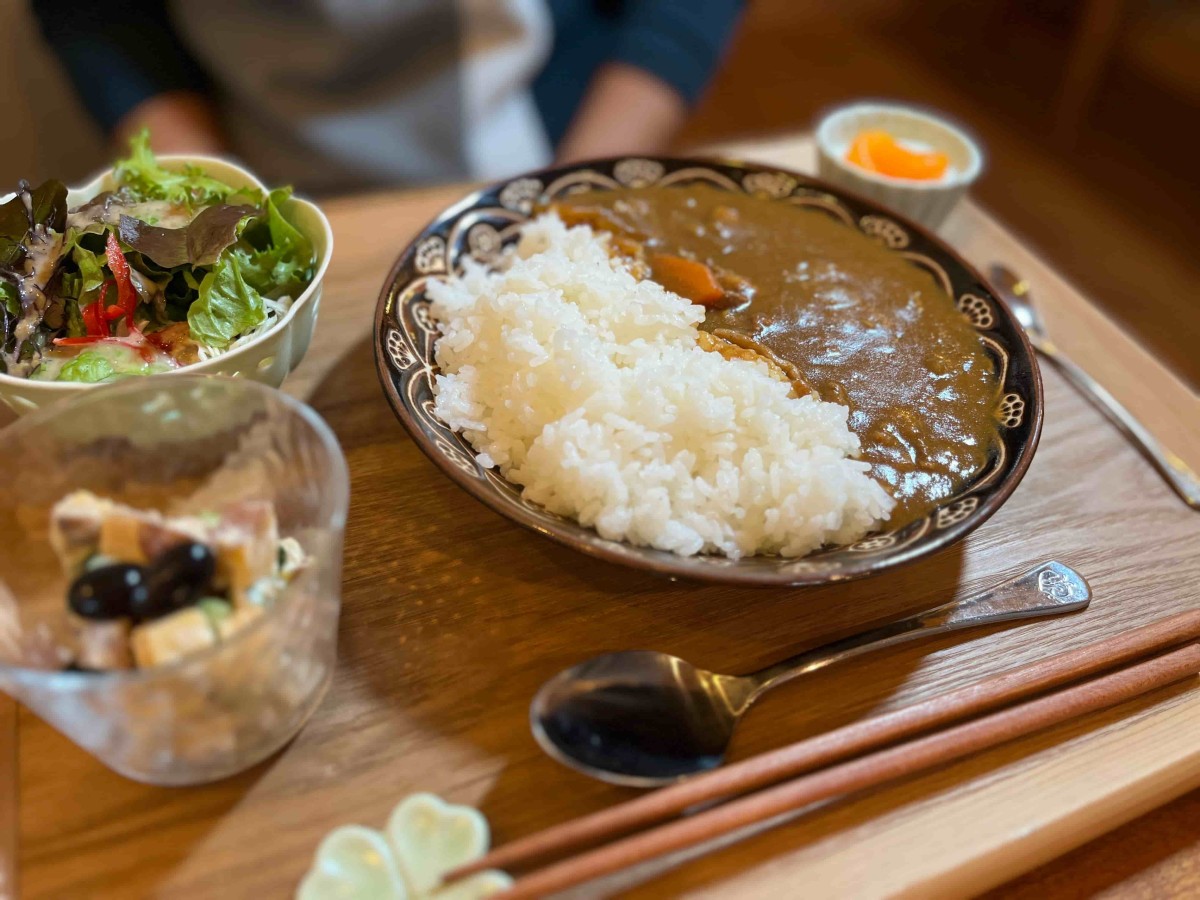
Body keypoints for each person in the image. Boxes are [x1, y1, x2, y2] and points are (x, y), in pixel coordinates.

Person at [33, 0, 744, 194]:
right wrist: (212, 203)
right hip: (259, 164)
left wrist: (572, 192)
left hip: (548, 148)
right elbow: (97, 14)